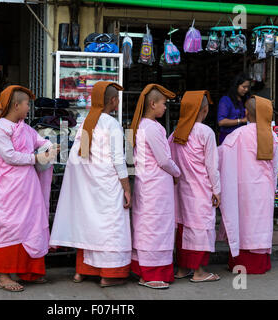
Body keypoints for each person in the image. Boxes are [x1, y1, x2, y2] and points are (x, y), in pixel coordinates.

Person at [49, 81, 132, 288]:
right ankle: (108, 275)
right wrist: (127, 187)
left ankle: (82, 272)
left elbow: (79, 159)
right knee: (111, 230)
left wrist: (84, 186)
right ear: (113, 101)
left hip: (90, 186)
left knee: (89, 227)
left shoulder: (86, 121)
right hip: (108, 185)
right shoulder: (111, 124)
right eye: (117, 98)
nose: (118, 101)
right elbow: (118, 159)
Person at [0, 85, 58, 292]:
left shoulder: (25, 128)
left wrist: (50, 147)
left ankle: (29, 271)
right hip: (10, 187)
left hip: (29, 185)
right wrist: (36, 157)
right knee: (9, 227)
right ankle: (4, 275)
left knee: (31, 226)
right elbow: (9, 156)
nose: (29, 108)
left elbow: (40, 141)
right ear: (16, 105)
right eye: (27, 104)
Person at [218, 95, 278, 274]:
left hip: (242, 189)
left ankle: (241, 263)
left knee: (243, 223)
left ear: (246, 113)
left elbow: (222, 158)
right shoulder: (272, 135)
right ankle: (261, 263)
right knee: (260, 224)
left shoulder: (237, 135)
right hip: (264, 189)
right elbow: (274, 168)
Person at [129, 84, 180, 289]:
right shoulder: (153, 127)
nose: (165, 108)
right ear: (152, 104)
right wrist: (178, 173)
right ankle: (151, 274)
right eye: (163, 104)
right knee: (156, 228)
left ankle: (144, 271)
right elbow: (164, 160)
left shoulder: (140, 125)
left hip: (146, 183)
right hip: (157, 185)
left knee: (146, 226)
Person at [169, 91, 221, 283]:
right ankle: (199, 272)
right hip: (200, 190)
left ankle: (182, 269)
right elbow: (212, 165)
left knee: (183, 227)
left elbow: (169, 159)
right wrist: (217, 190)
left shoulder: (176, 132)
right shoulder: (205, 132)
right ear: (205, 110)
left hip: (181, 190)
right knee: (200, 228)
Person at [217, 73, 251, 145]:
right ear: (236, 86)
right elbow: (221, 122)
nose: (246, 89)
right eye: (244, 87)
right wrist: (241, 120)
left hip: (242, 138)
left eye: (247, 87)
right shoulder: (225, 100)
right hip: (228, 138)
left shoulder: (246, 99)